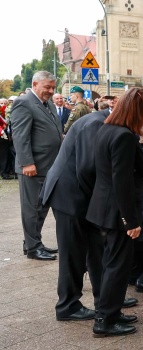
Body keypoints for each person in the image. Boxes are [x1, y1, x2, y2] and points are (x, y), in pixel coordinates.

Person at [40, 107, 139, 322]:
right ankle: (67, 305)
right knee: (73, 253)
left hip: (81, 195)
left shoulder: (102, 122)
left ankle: (106, 299)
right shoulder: (95, 124)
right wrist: (100, 204)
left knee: (97, 249)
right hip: (69, 195)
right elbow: (86, 169)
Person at [85, 87, 143, 337]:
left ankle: (111, 312)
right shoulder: (123, 136)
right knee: (116, 265)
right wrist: (129, 220)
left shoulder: (107, 129)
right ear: (137, 111)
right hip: (117, 212)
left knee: (112, 263)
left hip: (104, 207)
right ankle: (104, 321)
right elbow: (121, 181)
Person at [11, 71, 62, 260]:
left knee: (41, 208)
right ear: (35, 84)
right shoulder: (23, 103)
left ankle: (33, 242)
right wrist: (27, 163)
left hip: (49, 166)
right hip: (33, 167)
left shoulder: (48, 103)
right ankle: (33, 249)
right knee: (32, 208)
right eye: (47, 87)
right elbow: (20, 136)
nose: (50, 91)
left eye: (53, 88)